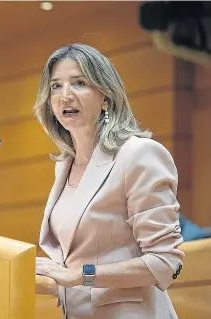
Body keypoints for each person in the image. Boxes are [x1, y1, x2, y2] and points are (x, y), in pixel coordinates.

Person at [33, 44, 185, 319]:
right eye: (56, 86)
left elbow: (165, 262)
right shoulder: (64, 166)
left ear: (106, 95)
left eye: (79, 83)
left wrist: (81, 276)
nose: (65, 95)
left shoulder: (138, 154)